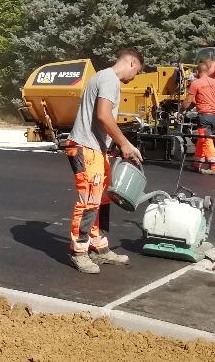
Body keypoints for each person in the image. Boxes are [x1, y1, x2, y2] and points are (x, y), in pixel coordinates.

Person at [63, 47, 145, 274]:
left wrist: (112, 146)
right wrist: (125, 144)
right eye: (136, 72)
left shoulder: (101, 77)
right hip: (86, 148)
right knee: (89, 200)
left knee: (102, 199)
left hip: (96, 148)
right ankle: (78, 252)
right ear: (132, 63)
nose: (134, 78)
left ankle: (97, 247)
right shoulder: (110, 79)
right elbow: (103, 115)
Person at [179, 60, 215, 174]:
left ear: (197, 71)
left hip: (204, 116)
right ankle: (197, 163)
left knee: (206, 140)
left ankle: (214, 166)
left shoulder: (196, 84)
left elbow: (188, 101)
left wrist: (181, 111)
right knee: (202, 138)